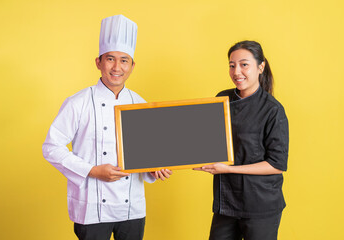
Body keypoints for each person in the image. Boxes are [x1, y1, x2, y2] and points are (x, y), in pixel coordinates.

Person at [42, 15, 172, 240]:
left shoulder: (140, 104)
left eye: (124, 60)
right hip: (92, 207)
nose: (116, 67)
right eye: (110, 59)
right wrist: (92, 171)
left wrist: (153, 169)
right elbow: (51, 147)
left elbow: (146, 154)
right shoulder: (78, 102)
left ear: (132, 65)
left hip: (131, 207)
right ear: (98, 62)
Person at [195, 40, 289, 240]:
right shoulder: (222, 99)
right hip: (226, 201)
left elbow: (277, 164)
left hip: (260, 204)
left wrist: (228, 169)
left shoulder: (273, 110)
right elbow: (206, 139)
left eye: (244, 64)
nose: (236, 71)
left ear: (260, 67)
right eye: (232, 65)